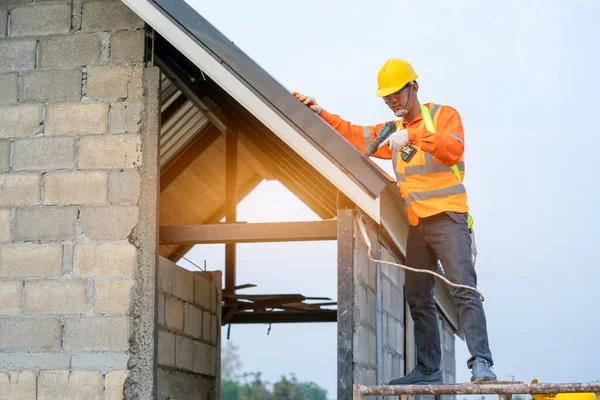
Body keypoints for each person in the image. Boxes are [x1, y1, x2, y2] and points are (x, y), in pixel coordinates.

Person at [293, 58, 496, 384]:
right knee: (416, 294)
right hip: (418, 224)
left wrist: (414, 137)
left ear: (413, 87)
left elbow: (453, 150)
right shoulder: (392, 132)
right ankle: (429, 370)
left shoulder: (443, 115)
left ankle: (482, 364)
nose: (392, 101)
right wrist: (320, 113)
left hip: (448, 218)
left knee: (463, 290)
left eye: (397, 94)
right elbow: (355, 135)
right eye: (386, 97)